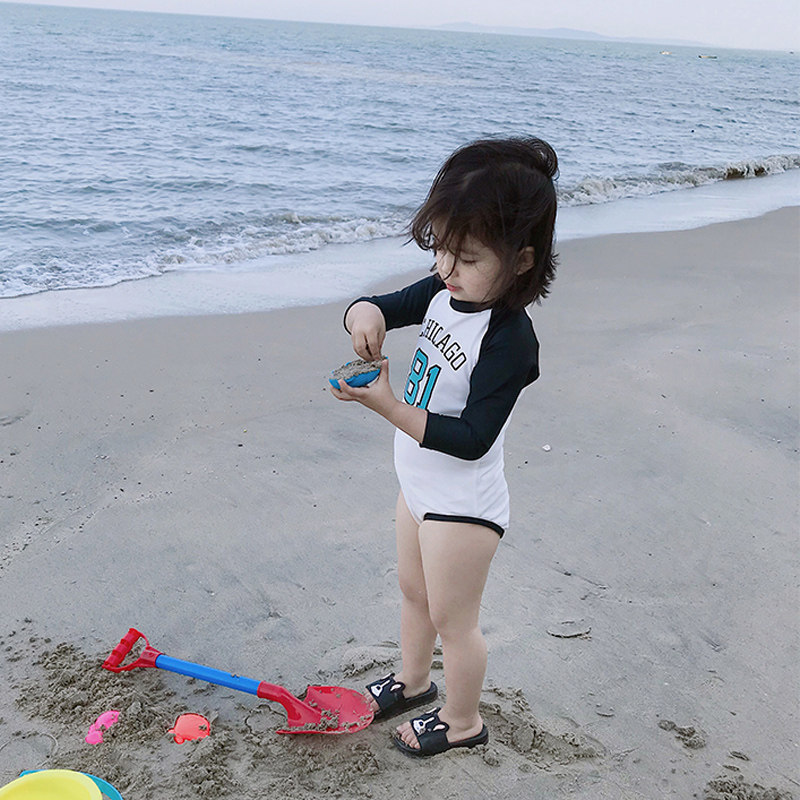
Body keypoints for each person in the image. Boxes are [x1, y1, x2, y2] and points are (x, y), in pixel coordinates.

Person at [330, 137, 558, 757]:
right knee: (414, 594)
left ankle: (462, 721)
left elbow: (472, 439)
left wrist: (387, 406)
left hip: (463, 505)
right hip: (418, 486)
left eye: (467, 256)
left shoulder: (510, 340)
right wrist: (363, 317)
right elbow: (376, 306)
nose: (446, 267)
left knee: (454, 622)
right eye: (440, 249)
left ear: (521, 261)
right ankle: (412, 681)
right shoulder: (443, 290)